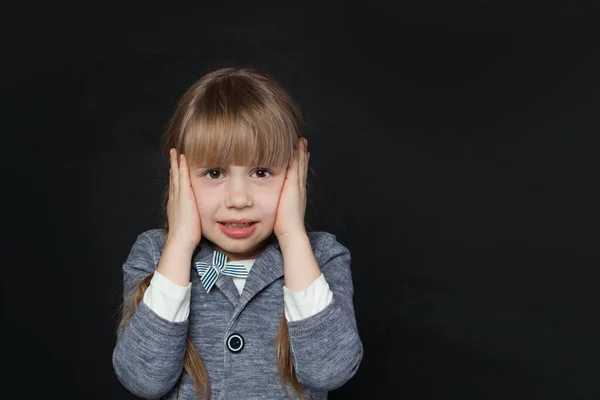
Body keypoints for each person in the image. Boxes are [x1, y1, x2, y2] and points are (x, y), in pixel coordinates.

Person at [112, 67, 363, 399]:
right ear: (180, 175)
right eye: (214, 173)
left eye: (261, 172)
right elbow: (144, 378)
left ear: (294, 173)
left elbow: (330, 369)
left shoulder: (321, 257)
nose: (239, 199)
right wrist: (181, 243)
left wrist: (292, 235)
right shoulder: (156, 255)